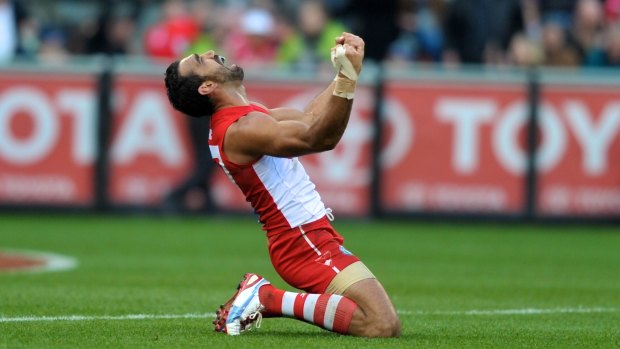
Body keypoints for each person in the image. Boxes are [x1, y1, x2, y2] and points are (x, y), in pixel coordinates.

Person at [163, 32, 400, 338]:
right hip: (301, 243)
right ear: (207, 86)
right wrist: (348, 79)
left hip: (304, 238)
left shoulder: (245, 118)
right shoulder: (241, 129)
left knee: (381, 321)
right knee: (381, 324)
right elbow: (319, 137)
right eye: (199, 60)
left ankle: (267, 298)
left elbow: (309, 117)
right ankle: (267, 298)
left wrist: (346, 70)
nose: (208, 52)